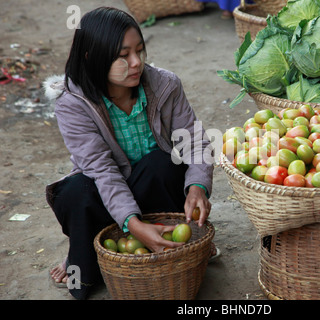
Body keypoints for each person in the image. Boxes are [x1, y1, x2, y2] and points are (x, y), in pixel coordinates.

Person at [44, 7, 215, 300]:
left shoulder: (165, 85)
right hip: (106, 196)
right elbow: (102, 171)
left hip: (155, 191)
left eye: (140, 51)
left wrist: (198, 186)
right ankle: (83, 253)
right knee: (74, 192)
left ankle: (168, 240)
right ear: (91, 57)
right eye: (123, 56)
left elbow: (196, 142)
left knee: (161, 163)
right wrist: (134, 226)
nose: (136, 63)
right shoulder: (73, 103)